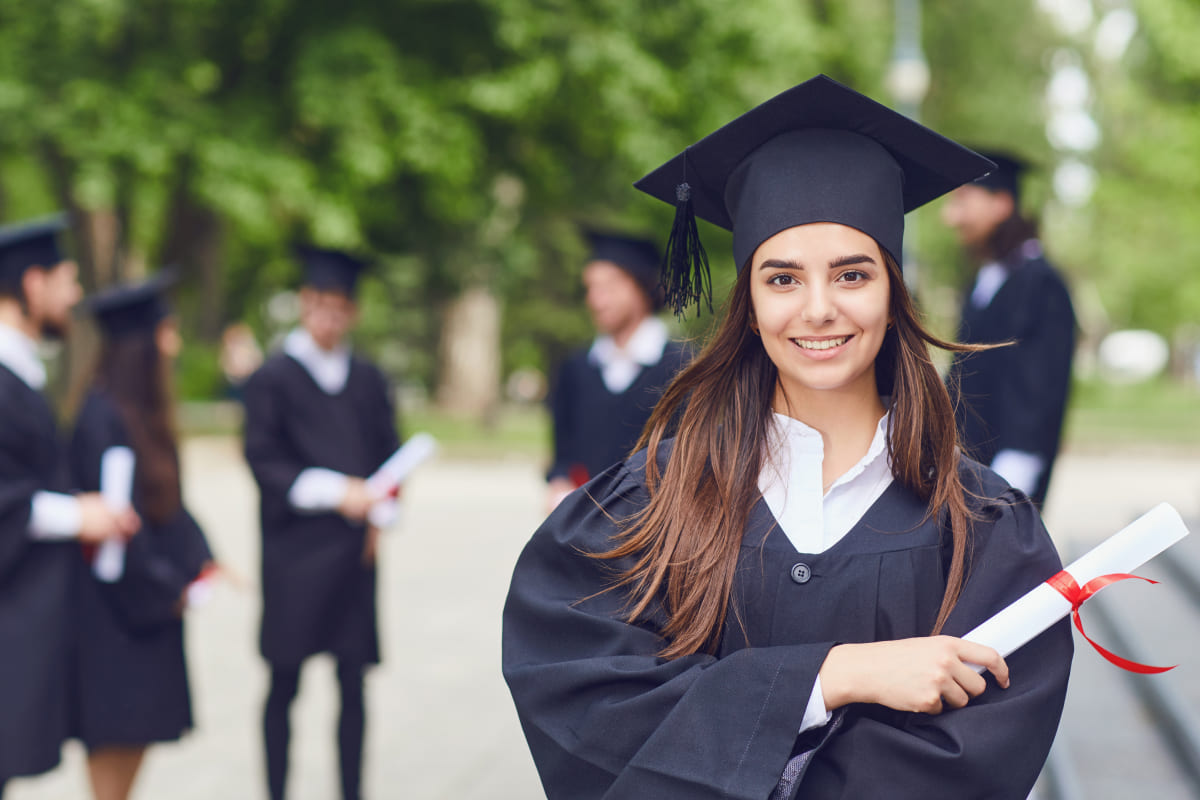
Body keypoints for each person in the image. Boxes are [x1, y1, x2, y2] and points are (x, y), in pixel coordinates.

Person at [502, 75, 1073, 799]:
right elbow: (589, 710)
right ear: (749, 301)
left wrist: (745, 729)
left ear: (893, 289)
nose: (819, 309)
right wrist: (833, 676)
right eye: (781, 279)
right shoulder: (649, 502)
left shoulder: (984, 527)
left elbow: (975, 760)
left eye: (852, 273)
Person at [242, 245, 402, 800]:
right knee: (284, 678)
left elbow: (390, 457)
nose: (328, 318)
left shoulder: (368, 379)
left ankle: (352, 791)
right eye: (319, 305)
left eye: (339, 308)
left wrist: (381, 511)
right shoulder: (273, 378)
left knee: (353, 681)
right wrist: (340, 493)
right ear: (304, 305)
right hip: (295, 553)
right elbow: (264, 461)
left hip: (353, 556)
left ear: (352, 312)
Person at [0, 215, 139, 797]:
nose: (75, 296)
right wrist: (75, 515)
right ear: (33, 284)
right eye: (67, 280)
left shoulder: (22, 372)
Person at [68, 272, 216, 800]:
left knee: (133, 762)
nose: (173, 344)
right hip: (115, 623)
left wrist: (203, 559)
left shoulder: (142, 418)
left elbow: (165, 509)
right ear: (141, 346)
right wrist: (167, 589)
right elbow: (118, 530)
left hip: (146, 617)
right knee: (112, 770)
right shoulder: (101, 420)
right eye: (166, 332)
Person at [942, 151, 1076, 508]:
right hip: (967, 467)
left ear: (1001, 204)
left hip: (1004, 475)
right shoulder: (985, 277)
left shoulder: (1040, 283)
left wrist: (1016, 471)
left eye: (963, 201)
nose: (951, 217)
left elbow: (1041, 385)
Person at [545, 230, 690, 511]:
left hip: (658, 527)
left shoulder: (684, 369)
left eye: (609, 287)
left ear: (642, 286)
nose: (596, 300)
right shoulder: (576, 368)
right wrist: (559, 484)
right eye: (591, 288)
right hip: (583, 525)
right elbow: (562, 455)